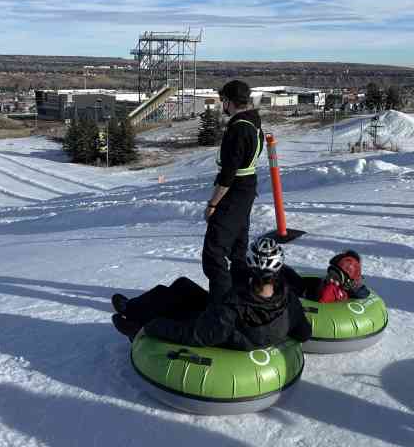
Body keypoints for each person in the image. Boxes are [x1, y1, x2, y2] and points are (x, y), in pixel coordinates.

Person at [110, 236, 312, 349]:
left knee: (176, 310)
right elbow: (304, 333)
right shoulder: (287, 298)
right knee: (183, 285)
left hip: (224, 330)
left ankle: (136, 319)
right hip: (238, 322)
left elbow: (198, 336)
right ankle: (133, 306)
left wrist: (150, 328)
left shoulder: (235, 307)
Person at [203, 79, 264, 302]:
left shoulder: (238, 128)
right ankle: (241, 292)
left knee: (214, 251)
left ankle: (223, 303)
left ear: (229, 101)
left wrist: (213, 204)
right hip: (247, 188)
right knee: (238, 247)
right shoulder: (253, 121)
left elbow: (229, 173)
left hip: (235, 191)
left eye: (223, 101)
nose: (222, 106)